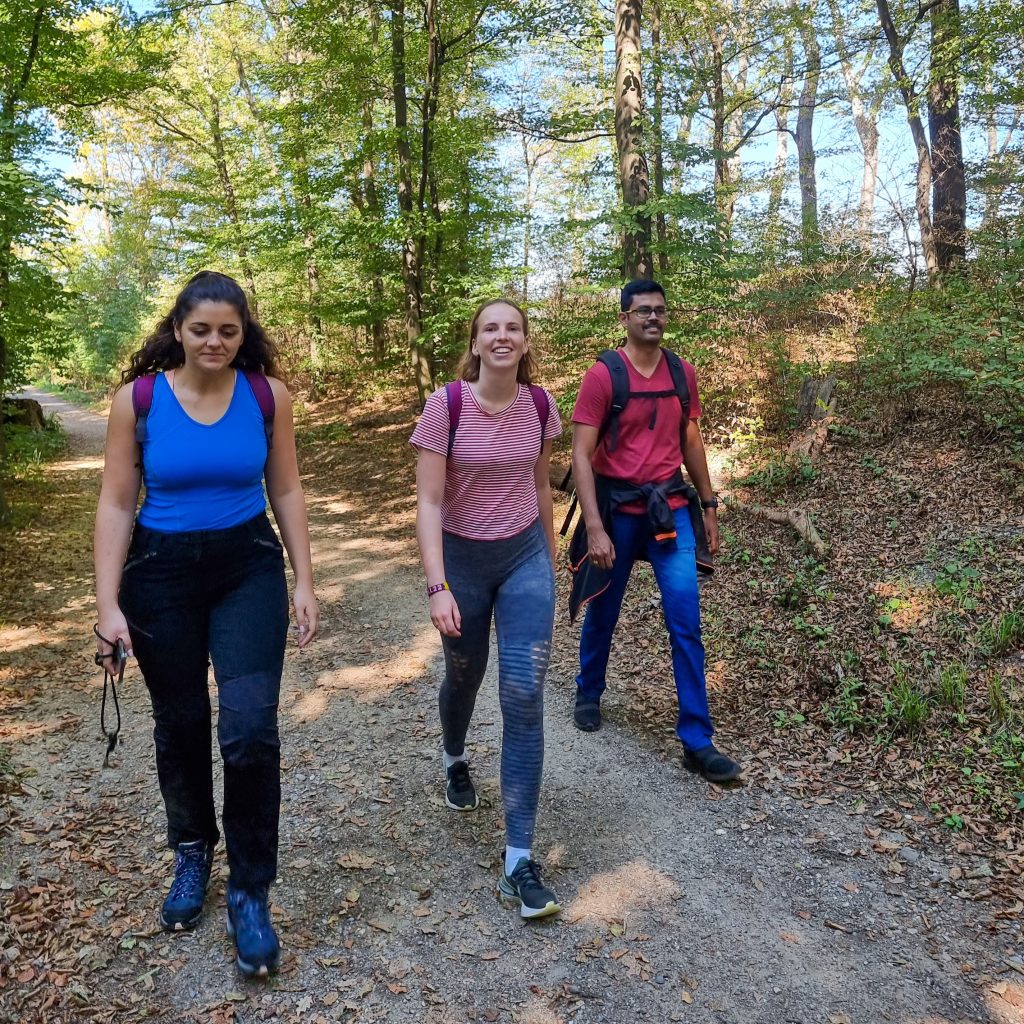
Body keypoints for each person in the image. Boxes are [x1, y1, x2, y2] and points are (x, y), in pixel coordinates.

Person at [93, 271, 319, 977]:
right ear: (179, 330)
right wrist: (107, 607)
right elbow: (114, 504)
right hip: (159, 575)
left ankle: (251, 890)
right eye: (202, 330)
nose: (215, 341)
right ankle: (192, 852)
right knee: (182, 722)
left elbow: (284, 486)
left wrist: (305, 580)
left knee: (250, 730)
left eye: (229, 330)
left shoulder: (267, 396)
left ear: (243, 332)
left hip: (246, 566)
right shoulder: (138, 401)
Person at [411, 298, 563, 919]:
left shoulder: (543, 406)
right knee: (464, 676)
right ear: (474, 343)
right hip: (464, 563)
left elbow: (539, 485)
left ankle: (518, 861)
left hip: (524, 557)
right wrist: (437, 585)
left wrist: (550, 567)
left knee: (524, 695)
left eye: (513, 328)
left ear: (525, 342)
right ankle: (453, 758)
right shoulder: (446, 405)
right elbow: (427, 502)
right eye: (490, 329)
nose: (502, 337)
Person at [568, 279, 742, 783]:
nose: (653, 318)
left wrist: (708, 504)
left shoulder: (682, 373)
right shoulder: (603, 376)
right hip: (618, 510)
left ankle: (697, 739)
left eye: (660, 311)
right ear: (624, 318)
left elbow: (691, 439)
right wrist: (594, 526)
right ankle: (588, 690)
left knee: (685, 621)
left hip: (670, 509)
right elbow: (581, 453)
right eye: (642, 310)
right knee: (605, 604)